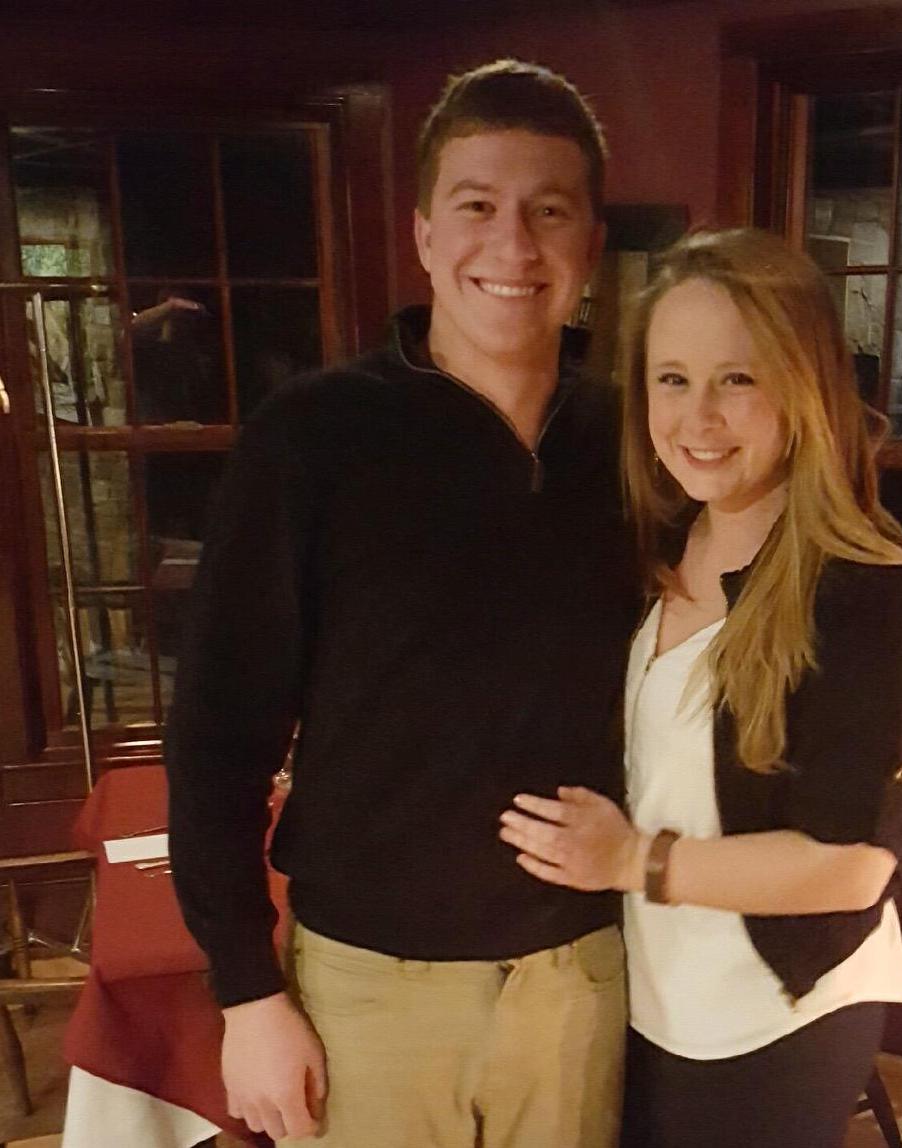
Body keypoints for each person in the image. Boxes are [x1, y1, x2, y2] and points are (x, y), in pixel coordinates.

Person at [165, 60, 637, 1147]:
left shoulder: (638, 442)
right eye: (476, 207)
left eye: (548, 211)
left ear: (590, 243)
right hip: (367, 987)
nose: (512, 246)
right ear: (424, 234)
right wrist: (246, 990)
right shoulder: (311, 438)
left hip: (580, 978)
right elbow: (219, 734)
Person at [499, 229, 902, 1148]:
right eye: (673, 379)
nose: (697, 416)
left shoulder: (870, 590)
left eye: (736, 379)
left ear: (804, 385)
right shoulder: (660, 543)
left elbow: (852, 865)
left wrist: (633, 861)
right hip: (652, 995)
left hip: (776, 1019)